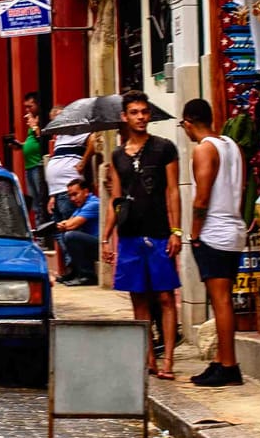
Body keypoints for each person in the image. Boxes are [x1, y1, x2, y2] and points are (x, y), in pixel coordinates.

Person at [102, 91, 182, 379]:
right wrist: (106, 237)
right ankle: (149, 359)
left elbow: (173, 191)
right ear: (124, 116)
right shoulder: (117, 155)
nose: (140, 117)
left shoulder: (164, 148)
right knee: (138, 299)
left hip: (159, 232)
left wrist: (176, 230)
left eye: (144, 112)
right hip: (129, 235)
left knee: (165, 296)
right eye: (134, 112)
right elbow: (115, 199)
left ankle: (168, 360)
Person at [182, 98, 247, 388]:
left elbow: (202, 198)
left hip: (215, 231)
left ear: (187, 123)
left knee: (220, 300)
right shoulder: (232, 146)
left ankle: (229, 365)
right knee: (223, 298)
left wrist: (194, 234)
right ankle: (221, 359)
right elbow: (241, 187)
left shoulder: (204, 149)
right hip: (233, 228)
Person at [51, 179, 101, 286]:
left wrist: (64, 225)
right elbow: (69, 221)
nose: (72, 199)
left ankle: (87, 275)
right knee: (66, 234)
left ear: (86, 191)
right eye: (70, 196)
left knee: (71, 235)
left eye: (75, 194)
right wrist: (64, 225)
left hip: (100, 247)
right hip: (91, 245)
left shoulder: (93, 204)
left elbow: (71, 224)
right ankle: (75, 271)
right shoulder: (82, 205)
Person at [43, 130, 88, 222]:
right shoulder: (60, 137)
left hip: (68, 188)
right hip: (57, 192)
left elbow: (94, 140)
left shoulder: (81, 132)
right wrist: (53, 195)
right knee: (59, 227)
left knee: (70, 225)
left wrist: (84, 161)